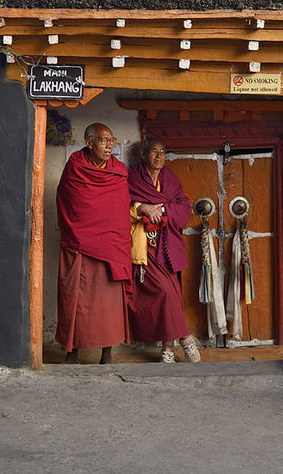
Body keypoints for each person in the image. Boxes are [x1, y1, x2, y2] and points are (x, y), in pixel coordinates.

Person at [55, 123, 131, 364]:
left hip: (110, 248)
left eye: (111, 140)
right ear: (88, 143)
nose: (109, 145)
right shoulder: (75, 168)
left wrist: (110, 239)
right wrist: (83, 235)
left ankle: (107, 353)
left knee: (108, 304)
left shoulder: (118, 172)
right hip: (79, 247)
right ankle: (72, 351)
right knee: (73, 299)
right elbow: (69, 205)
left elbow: (118, 211)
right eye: (103, 140)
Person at [127, 138, 202, 363]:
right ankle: (186, 338)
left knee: (173, 296)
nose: (159, 157)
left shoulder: (169, 177)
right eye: (154, 152)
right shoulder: (132, 177)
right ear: (143, 154)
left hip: (168, 244)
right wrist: (140, 208)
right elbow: (120, 203)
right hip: (144, 246)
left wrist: (159, 208)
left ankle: (167, 350)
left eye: (162, 152)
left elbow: (183, 205)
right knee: (166, 293)